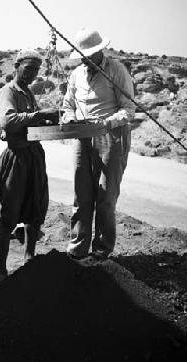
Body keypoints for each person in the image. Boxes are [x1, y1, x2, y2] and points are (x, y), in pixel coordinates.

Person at [62, 28, 135, 260]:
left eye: (89, 55)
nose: (86, 60)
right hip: (83, 136)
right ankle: (78, 248)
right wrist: (70, 118)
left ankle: (101, 250)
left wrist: (107, 123)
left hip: (111, 137)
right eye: (83, 56)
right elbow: (68, 105)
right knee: (81, 194)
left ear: (99, 51)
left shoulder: (117, 70)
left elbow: (128, 108)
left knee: (105, 196)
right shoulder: (76, 75)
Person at [0, 49, 59, 282]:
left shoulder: (28, 93)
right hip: (17, 160)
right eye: (28, 68)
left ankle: (29, 258)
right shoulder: (7, 92)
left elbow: (31, 121)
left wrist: (49, 119)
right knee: (9, 216)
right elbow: (9, 122)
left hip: (34, 158)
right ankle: (1, 271)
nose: (32, 73)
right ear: (17, 66)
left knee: (35, 211)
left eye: (36, 70)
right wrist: (40, 114)